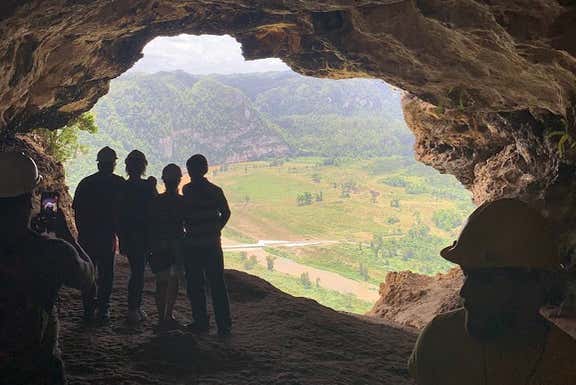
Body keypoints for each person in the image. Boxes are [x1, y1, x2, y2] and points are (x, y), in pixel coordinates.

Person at [408, 198, 576, 385]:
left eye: (486, 280)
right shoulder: (439, 338)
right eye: (466, 275)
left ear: (536, 285)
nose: (465, 292)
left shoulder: (566, 367)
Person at [0, 152, 94, 384]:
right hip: (37, 370)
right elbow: (87, 277)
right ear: (29, 199)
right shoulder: (53, 252)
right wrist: (67, 237)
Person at [182, 154, 232, 336]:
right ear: (205, 169)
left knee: (195, 285)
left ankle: (201, 322)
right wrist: (215, 229)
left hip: (193, 244)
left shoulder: (187, 190)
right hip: (212, 244)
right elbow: (226, 213)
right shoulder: (216, 191)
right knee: (217, 285)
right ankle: (224, 326)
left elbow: (184, 216)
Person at [73, 146, 125, 323]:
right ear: (113, 164)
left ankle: (88, 309)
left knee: (89, 273)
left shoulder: (85, 183)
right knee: (106, 274)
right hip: (107, 237)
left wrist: (81, 232)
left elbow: (77, 211)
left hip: (87, 236)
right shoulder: (119, 184)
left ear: (99, 164)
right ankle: (103, 309)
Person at [117, 150, 157, 325]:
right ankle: (133, 308)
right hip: (145, 235)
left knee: (137, 272)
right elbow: (156, 208)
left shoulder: (123, 187)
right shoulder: (148, 186)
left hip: (129, 235)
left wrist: (121, 236)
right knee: (139, 272)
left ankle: (134, 307)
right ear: (143, 167)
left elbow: (119, 214)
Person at [148, 164, 185, 332]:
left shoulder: (156, 201)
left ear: (164, 180)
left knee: (161, 282)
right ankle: (168, 315)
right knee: (173, 280)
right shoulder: (181, 202)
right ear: (179, 180)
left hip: (159, 245)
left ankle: (161, 317)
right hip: (176, 245)